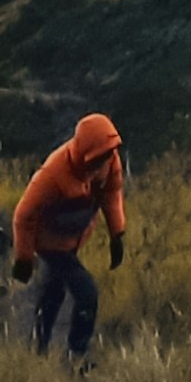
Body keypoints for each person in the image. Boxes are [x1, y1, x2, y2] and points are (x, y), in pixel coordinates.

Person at [10, 111, 127, 361]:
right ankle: (77, 355)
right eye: (97, 161)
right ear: (85, 157)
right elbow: (23, 215)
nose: (103, 167)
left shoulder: (110, 160)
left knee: (54, 291)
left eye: (107, 158)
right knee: (87, 294)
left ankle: (37, 349)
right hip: (49, 243)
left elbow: (112, 194)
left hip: (75, 237)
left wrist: (117, 234)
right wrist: (24, 259)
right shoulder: (53, 173)